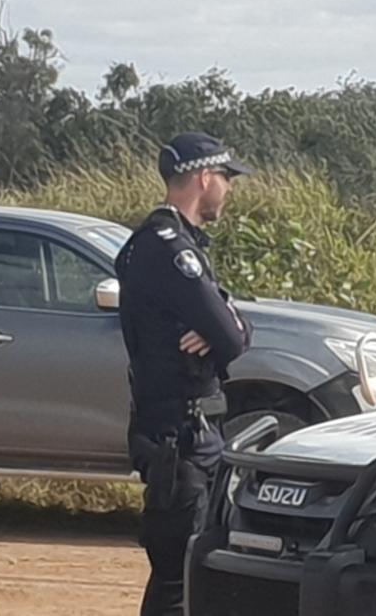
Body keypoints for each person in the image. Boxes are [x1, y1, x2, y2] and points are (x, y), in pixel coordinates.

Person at [115, 131, 253, 616]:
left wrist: (227, 323)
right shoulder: (171, 250)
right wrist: (226, 326)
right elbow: (232, 337)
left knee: (188, 581)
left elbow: (230, 326)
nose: (229, 189)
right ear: (203, 178)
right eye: (225, 178)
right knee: (179, 584)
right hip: (182, 443)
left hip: (186, 437)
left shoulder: (161, 242)